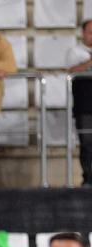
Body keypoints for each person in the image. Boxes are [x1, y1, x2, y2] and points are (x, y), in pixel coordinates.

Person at [67, 21, 92, 187]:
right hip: (84, 105)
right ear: (83, 33)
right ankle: (88, 178)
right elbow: (71, 70)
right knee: (87, 142)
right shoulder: (74, 52)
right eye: (90, 32)